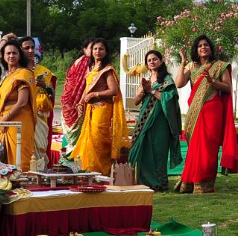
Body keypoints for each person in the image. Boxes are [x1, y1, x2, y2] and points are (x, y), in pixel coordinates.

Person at [175, 35, 238, 193]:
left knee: (209, 147)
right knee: (195, 147)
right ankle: (189, 181)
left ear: (211, 49)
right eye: (200, 45)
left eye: (206, 45)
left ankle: (204, 184)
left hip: (213, 111)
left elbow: (228, 88)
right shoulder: (191, 66)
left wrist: (213, 82)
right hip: (195, 112)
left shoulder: (220, 66)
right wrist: (183, 62)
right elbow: (179, 83)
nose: (203, 47)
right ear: (196, 49)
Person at [70, 38, 127, 175]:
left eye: (101, 49)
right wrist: (81, 102)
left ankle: (101, 172)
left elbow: (113, 91)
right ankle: (89, 170)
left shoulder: (107, 70)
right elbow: (87, 88)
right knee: (89, 142)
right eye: (95, 49)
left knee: (99, 142)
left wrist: (95, 95)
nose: (97, 51)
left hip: (102, 109)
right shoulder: (91, 68)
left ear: (106, 52)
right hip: (91, 110)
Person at [127, 49, 182, 191]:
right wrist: (142, 91)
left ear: (161, 61)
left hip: (160, 122)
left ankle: (159, 183)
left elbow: (170, 100)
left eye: (154, 59)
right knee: (143, 149)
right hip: (144, 120)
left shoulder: (167, 80)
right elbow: (136, 102)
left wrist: (151, 91)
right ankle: (143, 181)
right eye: (149, 60)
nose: (152, 62)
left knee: (158, 151)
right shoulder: (146, 80)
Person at [0, 39, 36, 171]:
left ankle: (21, 184)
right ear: (3, 56)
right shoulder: (8, 75)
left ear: (20, 55)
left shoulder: (23, 74)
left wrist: (6, 118)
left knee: (19, 158)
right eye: (8, 53)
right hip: (3, 121)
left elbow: (22, 102)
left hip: (18, 121)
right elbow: (7, 95)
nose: (11, 56)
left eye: (14, 53)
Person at [22, 36, 56, 166]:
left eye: (32, 47)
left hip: (40, 117)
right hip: (23, 114)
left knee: (40, 146)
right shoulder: (17, 71)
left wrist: (45, 86)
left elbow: (52, 95)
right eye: (26, 48)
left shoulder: (44, 72)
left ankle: (40, 172)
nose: (30, 50)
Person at [60, 38, 93, 151]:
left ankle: (66, 155)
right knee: (78, 133)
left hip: (67, 101)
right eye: (92, 48)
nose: (95, 51)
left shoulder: (77, 61)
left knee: (68, 133)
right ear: (84, 49)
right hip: (76, 101)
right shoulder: (86, 62)